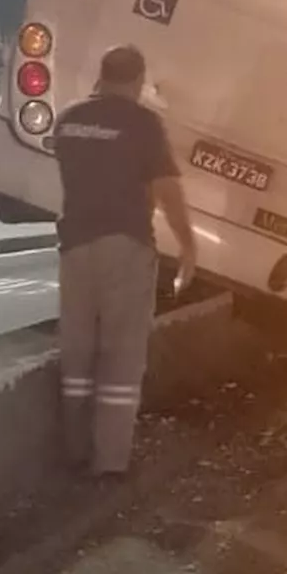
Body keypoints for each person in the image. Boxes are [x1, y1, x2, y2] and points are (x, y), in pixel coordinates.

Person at [53, 45, 195, 479]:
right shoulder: (143, 123)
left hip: (74, 248)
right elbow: (168, 191)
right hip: (126, 247)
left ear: (101, 75)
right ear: (137, 81)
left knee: (76, 355)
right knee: (120, 359)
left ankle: (72, 450)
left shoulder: (69, 119)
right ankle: (108, 463)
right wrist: (188, 246)